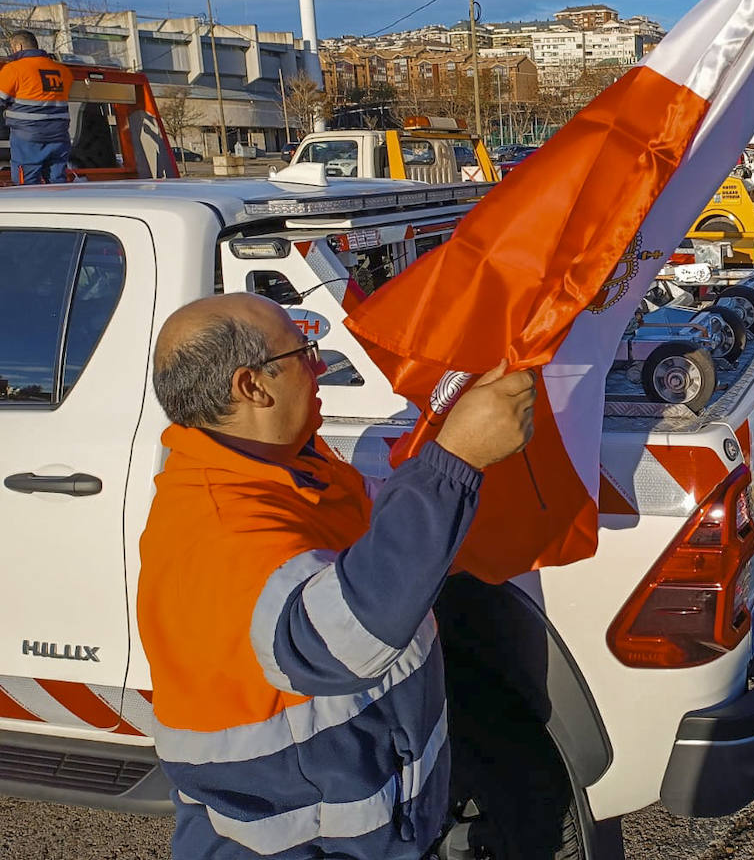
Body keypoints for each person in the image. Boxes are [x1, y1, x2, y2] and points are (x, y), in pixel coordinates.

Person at [138, 292, 537, 859]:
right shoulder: (219, 526)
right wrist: (455, 461)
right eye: (303, 351)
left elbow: (375, 533)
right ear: (251, 386)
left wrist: (450, 443)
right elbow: (336, 643)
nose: (320, 366)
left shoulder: (291, 467)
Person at [0, 30, 74, 185]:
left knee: (27, 186)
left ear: (18, 46)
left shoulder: (14, 69)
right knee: (57, 182)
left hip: (28, 138)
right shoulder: (63, 71)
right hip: (59, 136)